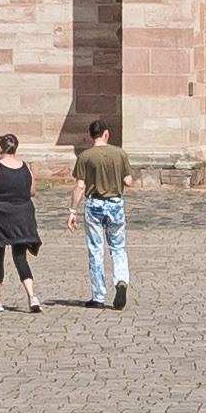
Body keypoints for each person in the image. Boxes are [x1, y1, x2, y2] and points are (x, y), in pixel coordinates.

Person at [0, 132, 43, 314]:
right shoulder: (26, 168)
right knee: (20, 257)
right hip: (22, 216)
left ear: (0, 148)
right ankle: (32, 296)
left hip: (0, 217)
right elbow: (32, 191)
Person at [75, 122, 132, 310]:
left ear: (91, 135)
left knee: (95, 250)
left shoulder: (85, 156)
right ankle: (121, 281)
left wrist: (72, 210)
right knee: (118, 248)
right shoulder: (120, 153)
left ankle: (98, 295)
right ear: (106, 134)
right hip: (115, 203)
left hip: (95, 204)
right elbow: (128, 181)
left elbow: (80, 186)